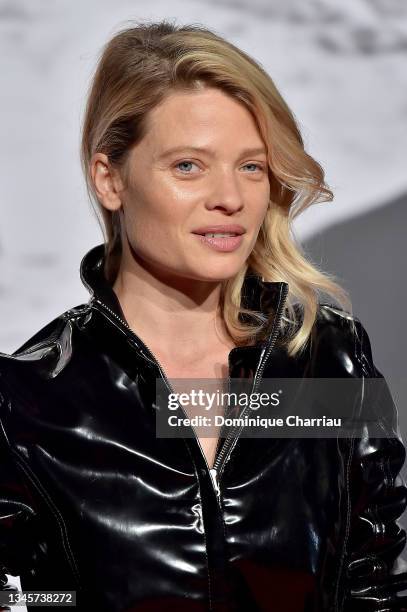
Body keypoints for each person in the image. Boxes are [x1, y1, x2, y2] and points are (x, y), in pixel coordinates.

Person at [1, 19, 407, 612]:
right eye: (189, 166)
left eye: (251, 165)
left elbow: (378, 586)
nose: (231, 198)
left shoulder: (327, 358)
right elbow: (28, 602)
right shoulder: (29, 399)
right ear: (109, 178)